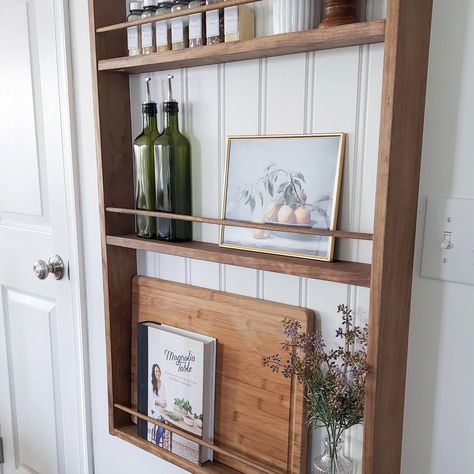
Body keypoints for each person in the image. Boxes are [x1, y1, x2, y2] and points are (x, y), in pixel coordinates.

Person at [150, 363, 167, 446]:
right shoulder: (151, 384)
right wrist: (159, 403)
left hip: (162, 410)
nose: (158, 373)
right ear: (153, 372)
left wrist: (165, 403)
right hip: (154, 410)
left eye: (159, 371)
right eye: (156, 371)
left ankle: (161, 431)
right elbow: (151, 399)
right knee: (161, 424)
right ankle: (157, 444)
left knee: (165, 421)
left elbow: (164, 398)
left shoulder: (162, 384)